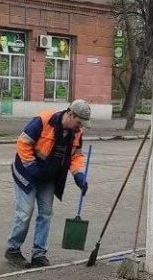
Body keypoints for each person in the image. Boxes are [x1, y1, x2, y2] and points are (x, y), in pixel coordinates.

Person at [6, 100, 90, 268]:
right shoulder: (44, 120)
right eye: (79, 122)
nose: (80, 127)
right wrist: (32, 167)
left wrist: (79, 175)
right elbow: (23, 142)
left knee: (46, 213)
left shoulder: (77, 132)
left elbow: (76, 155)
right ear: (71, 114)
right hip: (26, 173)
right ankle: (13, 250)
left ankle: (39, 254)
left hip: (49, 177)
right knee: (25, 213)